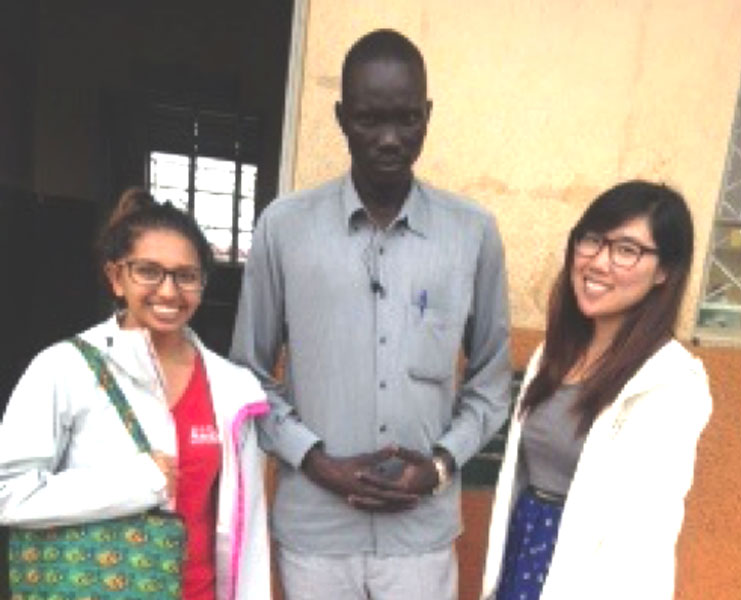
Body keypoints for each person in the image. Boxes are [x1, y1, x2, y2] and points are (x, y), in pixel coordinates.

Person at [230, 29, 512, 600]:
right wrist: (316, 462)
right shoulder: (284, 228)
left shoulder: (472, 233)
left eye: (407, 119)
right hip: (315, 531)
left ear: (428, 115)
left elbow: (492, 382)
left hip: (421, 536)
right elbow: (247, 377)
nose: (389, 138)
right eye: (368, 119)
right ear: (340, 117)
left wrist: (437, 467)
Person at [0, 188, 271, 600]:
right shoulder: (65, 368)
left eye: (186, 275)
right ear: (115, 277)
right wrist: (136, 482)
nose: (168, 292)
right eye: (148, 271)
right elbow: (8, 492)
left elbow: (244, 526)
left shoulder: (231, 386)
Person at [481, 181, 712, 600]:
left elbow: (644, 535)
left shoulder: (670, 384)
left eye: (627, 250)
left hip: (591, 578)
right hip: (525, 550)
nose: (599, 262)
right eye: (591, 240)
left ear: (664, 271)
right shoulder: (553, 354)